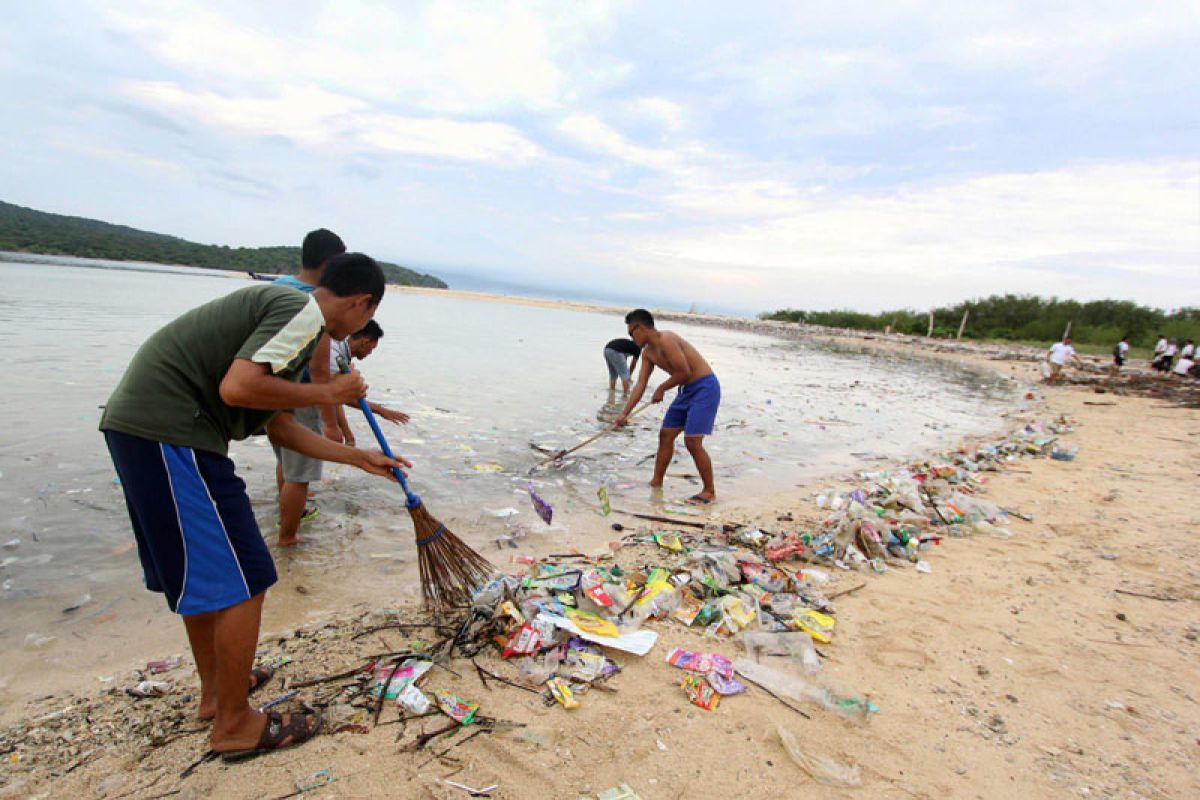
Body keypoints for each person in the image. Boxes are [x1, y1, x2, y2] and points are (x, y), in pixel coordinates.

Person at [100, 253, 409, 759]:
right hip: (172, 431)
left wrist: (359, 458)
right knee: (249, 578)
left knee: (206, 580)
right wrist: (330, 389)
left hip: (149, 429)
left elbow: (281, 424)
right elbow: (237, 387)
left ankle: (219, 695)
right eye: (367, 315)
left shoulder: (292, 318)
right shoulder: (300, 311)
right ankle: (236, 724)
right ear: (361, 303)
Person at [273, 229, 345, 546]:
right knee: (300, 474)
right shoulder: (317, 302)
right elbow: (318, 369)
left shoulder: (280, 287)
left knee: (287, 461)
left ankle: (287, 515)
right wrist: (331, 424)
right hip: (301, 394)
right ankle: (288, 537)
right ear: (328, 262)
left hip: (270, 390)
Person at [615, 309, 721, 504]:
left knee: (692, 442)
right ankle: (656, 481)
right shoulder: (647, 354)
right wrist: (624, 414)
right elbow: (640, 385)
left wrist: (662, 388)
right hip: (685, 390)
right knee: (665, 435)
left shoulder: (667, 339)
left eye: (632, 332)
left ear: (641, 327)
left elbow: (684, 371)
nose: (631, 337)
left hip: (705, 387)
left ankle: (709, 490)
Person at [328, 320, 410, 447]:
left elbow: (337, 398)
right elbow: (341, 396)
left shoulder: (339, 350)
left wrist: (347, 434)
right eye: (371, 349)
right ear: (365, 342)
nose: (369, 354)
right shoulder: (334, 356)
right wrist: (380, 410)